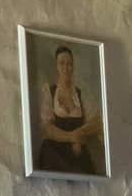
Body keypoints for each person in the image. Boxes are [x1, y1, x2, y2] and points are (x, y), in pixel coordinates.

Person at [36, 45, 102, 174]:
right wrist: (71, 137)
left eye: (69, 64)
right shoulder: (50, 92)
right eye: (62, 63)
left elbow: (97, 121)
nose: (66, 68)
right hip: (54, 153)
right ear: (56, 66)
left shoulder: (79, 93)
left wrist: (79, 134)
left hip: (77, 152)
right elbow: (47, 129)